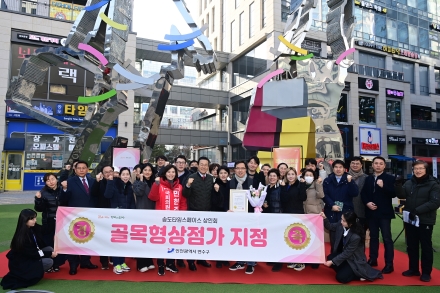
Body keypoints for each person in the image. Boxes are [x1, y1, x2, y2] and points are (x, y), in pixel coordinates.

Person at [396, 160, 440, 282]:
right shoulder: (410, 182)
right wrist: (398, 184)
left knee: (426, 247)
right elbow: (401, 196)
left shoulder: (433, 184)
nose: (418, 171)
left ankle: (426, 272)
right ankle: (413, 269)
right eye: (416, 169)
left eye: (421, 168)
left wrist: (417, 210)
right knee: (412, 245)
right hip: (410, 219)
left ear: (426, 170)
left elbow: (435, 202)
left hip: (425, 220)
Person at [1, 209, 58, 290]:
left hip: (31, 256)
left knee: (49, 249)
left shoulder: (32, 227)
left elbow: (45, 229)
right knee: (49, 261)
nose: (35, 220)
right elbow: (34, 254)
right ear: (25, 220)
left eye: (35, 218)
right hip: (23, 264)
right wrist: (49, 254)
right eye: (32, 219)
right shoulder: (22, 237)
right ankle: (33, 272)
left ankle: (38, 267)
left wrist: (55, 220)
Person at [321, 211, 383, 284]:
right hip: (345, 256)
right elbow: (330, 226)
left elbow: (347, 253)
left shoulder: (356, 237)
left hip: (354, 260)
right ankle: (346, 270)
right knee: (330, 257)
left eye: (343, 221)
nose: (341, 222)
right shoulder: (341, 225)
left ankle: (358, 274)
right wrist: (324, 217)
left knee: (341, 278)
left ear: (350, 223)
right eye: (341, 219)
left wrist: (333, 262)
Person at [59, 160, 98, 275]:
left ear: (87, 169)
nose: (81, 170)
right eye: (79, 168)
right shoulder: (69, 182)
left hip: (90, 216)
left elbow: (95, 197)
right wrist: (64, 189)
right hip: (74, 216)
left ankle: (86, 261)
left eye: (84, 168)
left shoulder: (93, 181)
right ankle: (73, 264)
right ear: (75, 170)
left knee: (88, 239)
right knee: (74, 240)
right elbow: (63, 199)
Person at [149, 165, 187, 275]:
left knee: (173, 242)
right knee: (162, 243)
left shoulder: (179, 187)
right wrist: (156, 184)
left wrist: (182, 217)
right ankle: (161, 264)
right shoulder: (158, 184)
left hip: (175, 221)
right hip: (161, 221)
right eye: (169, 172)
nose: (171, 174)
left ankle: (171, 263)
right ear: (164, 173)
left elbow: (183, 203)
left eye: (173, 172)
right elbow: (152, 197)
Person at [361, 156, 396, 274]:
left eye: (381, 163)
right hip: (371, 213)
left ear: (384, 166)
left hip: (384, 214)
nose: (378, 165)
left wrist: (383, 186)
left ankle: (389, 264)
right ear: (372, 165)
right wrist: (367, 203)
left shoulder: (389, 178)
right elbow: (364, 193)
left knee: (387, 239)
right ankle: (373, 259)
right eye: (376, 163)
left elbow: (393, 194)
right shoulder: (368, 179)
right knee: (373, 237)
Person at [183, 157, 214, 271]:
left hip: (206, 214)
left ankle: (201, 259)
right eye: (202, 164)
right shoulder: (191, 177)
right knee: (194, 239)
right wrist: (188, 185)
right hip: (194, 213)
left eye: (206, 165)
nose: (204, 166)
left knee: (204, 238)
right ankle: (191, 261)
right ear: (198, 165)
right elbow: (185, 194)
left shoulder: (211, 178)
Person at [104, 167, 136, 275]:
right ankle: (116, 264)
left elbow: (132, 202)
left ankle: (122, 262)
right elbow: (107, 195)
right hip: (116, 218)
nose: (126, 176)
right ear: (120, 175)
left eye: (127, 174)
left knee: (123, 241)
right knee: (116, 241)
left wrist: (133, 214)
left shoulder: (130, 187)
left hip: (126, 218)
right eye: (123, 174)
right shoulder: (114, 184)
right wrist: (110, 181)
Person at [228, 161, 258, 274]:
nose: (240, 170)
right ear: (234, 170)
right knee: (239, 239)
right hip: (235, 217)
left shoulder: (253, 182)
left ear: (246, 170)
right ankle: (240, 261)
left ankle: (250, 263)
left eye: (242, 168)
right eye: (238, 168)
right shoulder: (230, 183)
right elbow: (227, 198)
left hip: (249, 216)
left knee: (250, 239)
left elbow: (257, 198)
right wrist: (228, 209)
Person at [34, 173, 64, 272]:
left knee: (61, 242)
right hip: (49, 221)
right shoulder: (42, 192)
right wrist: (38, 199)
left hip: (63, 220)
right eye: (47, 180)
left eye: (52, 179)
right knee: (49, 243)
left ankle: (58, 263)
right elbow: (39, 209)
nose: (50, 182)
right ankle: (50, 263)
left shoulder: (63, 189)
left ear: (57, 179)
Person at [280, 167, 307, 271]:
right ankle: (293, 259)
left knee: (298, 239)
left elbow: (303, 197)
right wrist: (282, 188)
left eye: (292, 174)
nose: (290, 176)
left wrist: (303, 185)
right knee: (289, 238)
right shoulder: (285, 186)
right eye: (288, 174)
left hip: (298, 215)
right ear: (285, 176)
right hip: (287, 215)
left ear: (296, 175)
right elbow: (284, 200)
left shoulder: (300, 185)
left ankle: (301, 262)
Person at [132, 163, 156, 272]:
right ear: (141, 171)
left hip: (152, 213)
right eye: (145, 170)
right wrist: (141, 181)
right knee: (141, 239)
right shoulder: (137, 182)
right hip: (141, 213)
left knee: (150, 238)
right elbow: (139, 193)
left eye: (149, 170)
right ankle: (141, 264)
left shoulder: (154, 182)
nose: (147, 172)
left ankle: (149, 261)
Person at [90, 165, 113, 270]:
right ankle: (104, 261)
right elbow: (93, 193)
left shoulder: (116, 182)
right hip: (101, 215)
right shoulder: (99, 182)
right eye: (106, 172)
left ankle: (113, 257)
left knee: (114, 237)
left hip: (115, 215)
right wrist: (97, 181)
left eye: (110, 171)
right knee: (103, 238)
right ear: (102, 174)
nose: (108, 173)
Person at [302, 168, 324, 269]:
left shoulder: (316, 184)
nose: (308, 177)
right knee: (306, 238)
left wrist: (319, 184)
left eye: (310, 175)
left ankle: (316, 260)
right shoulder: (301, 184)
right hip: (305, 214)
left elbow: (321, 195)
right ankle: (307, 258)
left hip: (315, 214)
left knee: (315, 238)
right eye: (307, 175)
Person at [211, 166, 231, 269]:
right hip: (218, 214)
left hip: (229, 213)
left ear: (228, 174)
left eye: (225, 173)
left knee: (226, 237)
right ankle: (218, 258)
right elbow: (215, 202)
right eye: (221, 173)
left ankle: (225, 257)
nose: (223, 175)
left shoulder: (230, 184)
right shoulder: (215, 185)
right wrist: (217, 191)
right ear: (218, 174)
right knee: (218, 237)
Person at [263, 168, 283, 272]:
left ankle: (279, 262)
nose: (272, 177)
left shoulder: (280, 188)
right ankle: (272, 258)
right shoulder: (265, 188)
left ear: (278, 177)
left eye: (274, 176)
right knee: (270, 239)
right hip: (267, 216)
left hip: (277, 216)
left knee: (278, 240)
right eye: (270, 176)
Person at [174, 155, 191, 268]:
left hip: (186, 208)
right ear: (175, 163)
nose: (180, 164)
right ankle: (176, 258)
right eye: (178, 162)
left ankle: (189, 260)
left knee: (186, 235)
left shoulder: (190, 176)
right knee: (175, 235)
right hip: (172, 209)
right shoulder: (170, 174)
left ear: (185, 164)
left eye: (183, 162)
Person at [348, 157, 368, 230]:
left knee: (361, 232)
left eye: (357, 164)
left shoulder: (366, 178)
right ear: (350, 164)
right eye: (353, 163)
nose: (355, 165)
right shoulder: (344, 176)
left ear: (361, 165)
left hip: (361, 210)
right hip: (347, 209)